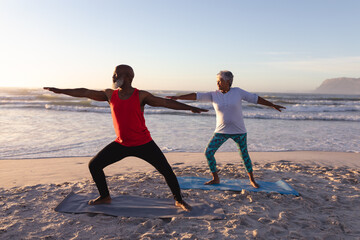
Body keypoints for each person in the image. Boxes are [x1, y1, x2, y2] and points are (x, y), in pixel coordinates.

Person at [44, 64, 208, 211]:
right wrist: (61, 91)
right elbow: (85, 92)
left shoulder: (141, 96)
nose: (113, 77)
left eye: (116, 74)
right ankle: (105, 197)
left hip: (144, 143)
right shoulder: (109, 94)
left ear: (128, 77)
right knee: (94, 165)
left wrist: (189, 108)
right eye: (113, 74)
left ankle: (179, 200)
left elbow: (165, 103)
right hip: (121, 144)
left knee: (166, 171)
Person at [167, 70, 285, 188]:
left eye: (220, 81)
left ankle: (252, 180)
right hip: (221, 131)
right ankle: (215, 178)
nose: (218, 83)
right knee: (208, 152)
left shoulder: (238, 92)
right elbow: (197, 95)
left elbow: (255, 99)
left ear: (228, 81)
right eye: (217, 81)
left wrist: (272, 104)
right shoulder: (214, 94)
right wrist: (178, 97)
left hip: (239, 131)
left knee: (244, 155)